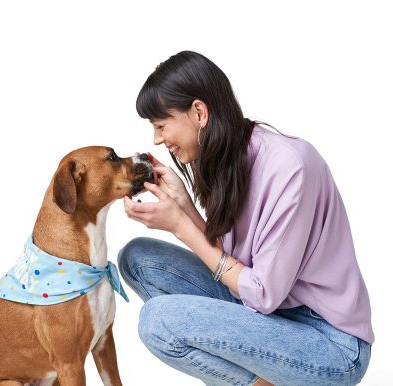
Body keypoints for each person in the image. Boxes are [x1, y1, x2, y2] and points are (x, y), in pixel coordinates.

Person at [118, 50, 373, 386]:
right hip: (269, 316)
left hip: (329, 344)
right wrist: (182, 202)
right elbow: (234, 263)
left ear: (198, 112)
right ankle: (264, 376)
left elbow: (263, 293)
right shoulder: (229, 157)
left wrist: (181, 226)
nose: (157, 139)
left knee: (158, 322)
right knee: (136, 257)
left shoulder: (290, 167)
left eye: (161, 125)